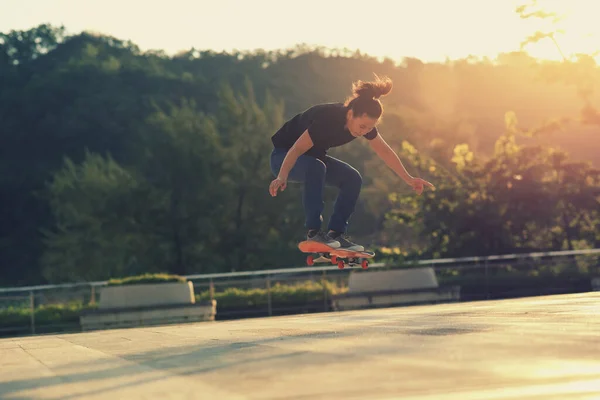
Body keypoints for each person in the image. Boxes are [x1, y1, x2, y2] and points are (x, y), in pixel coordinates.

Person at [268, 75, 434, 252]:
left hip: (313, 161)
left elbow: (384, 151)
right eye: (362, 126)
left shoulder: (362, 125)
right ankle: (314, 233)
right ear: (350, 114)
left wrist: (408, 179)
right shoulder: (327, 119)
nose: (364, 132)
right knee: (317, 166)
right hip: (283, 158)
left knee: (352, 177)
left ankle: (336, 234)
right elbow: (296, 149)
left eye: (370, 128)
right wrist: (282, 176)